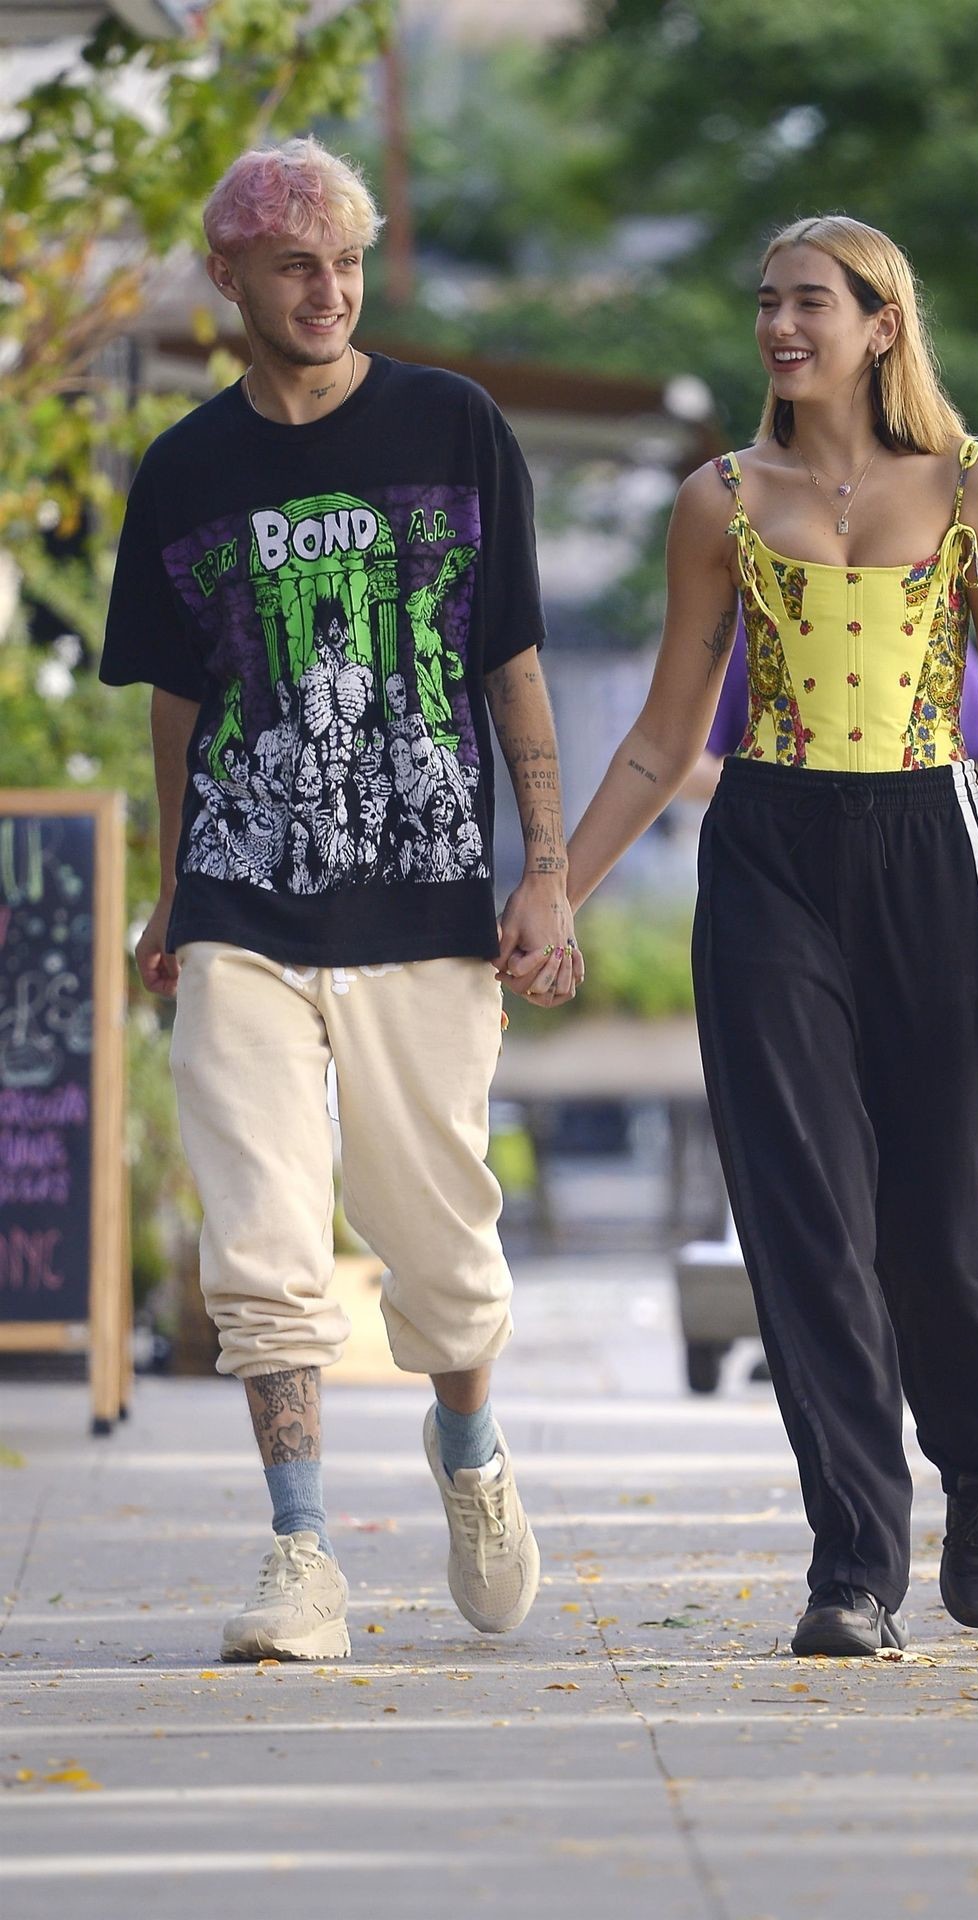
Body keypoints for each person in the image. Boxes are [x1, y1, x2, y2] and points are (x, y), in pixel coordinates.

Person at [566, 214, 978, 1657]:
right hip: (770, 850)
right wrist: (553, 889)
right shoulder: (718, 502)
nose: (779, 326)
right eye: (767, 302)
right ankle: (854, 1566)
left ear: (883, 324)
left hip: (932, 845)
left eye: (810, 301)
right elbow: (661, 738)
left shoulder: (976, 487)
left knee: (933, 1226)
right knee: (804, 1219)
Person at [100, 137, 582, 1662]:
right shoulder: (185, 468)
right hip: (243, 901)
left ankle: (470, 1458)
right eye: (296, 266)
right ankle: (301, 1552)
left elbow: (510, 661)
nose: (328, 292)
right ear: (230, 277)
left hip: (424, 902)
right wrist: (174, 889)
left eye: (348, 264)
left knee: (440, 1250)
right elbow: (178, 701)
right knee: (260, 1239)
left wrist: (548, 872)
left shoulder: (452, 426)